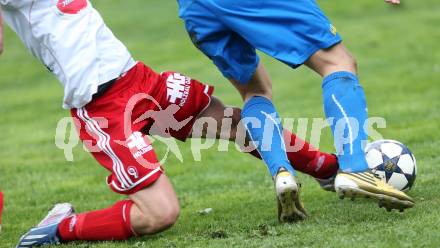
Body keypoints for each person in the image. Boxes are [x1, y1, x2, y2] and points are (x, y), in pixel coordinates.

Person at [0, 0, 338, 248]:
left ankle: (329, 169)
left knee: (235, 123)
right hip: (101, 106)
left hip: (138, 79)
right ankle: (62, 228)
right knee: (159, 214)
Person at [176, 0, 414, 212]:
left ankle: (282, 173)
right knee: (337, 61)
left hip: (195, 8)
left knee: (254, 90)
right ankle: (355, 167)